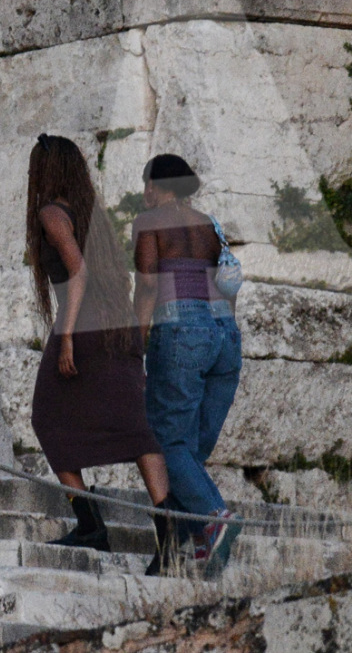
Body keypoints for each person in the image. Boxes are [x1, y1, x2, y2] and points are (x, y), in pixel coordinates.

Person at [24, 135, 170, 567]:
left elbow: (78, 273)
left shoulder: (51, 212)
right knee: (135, 426)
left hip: (84, 329)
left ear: (44, 171)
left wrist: (65, 336)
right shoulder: (92, 215)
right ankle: (170, 533)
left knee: (47, 417)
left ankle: (91, 526)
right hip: (117, 327)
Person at [132, 153, 243, 577]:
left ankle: (215, 519)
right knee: (191, 447)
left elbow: (146, 285)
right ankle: (192, 544)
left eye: (148, 184)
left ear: (160, 186)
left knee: (165, 442)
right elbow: (227, 283)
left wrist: (134, 342)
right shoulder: (209, 224)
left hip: (181, 332)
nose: (144, 194)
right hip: (225, 336)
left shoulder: (152, 220)